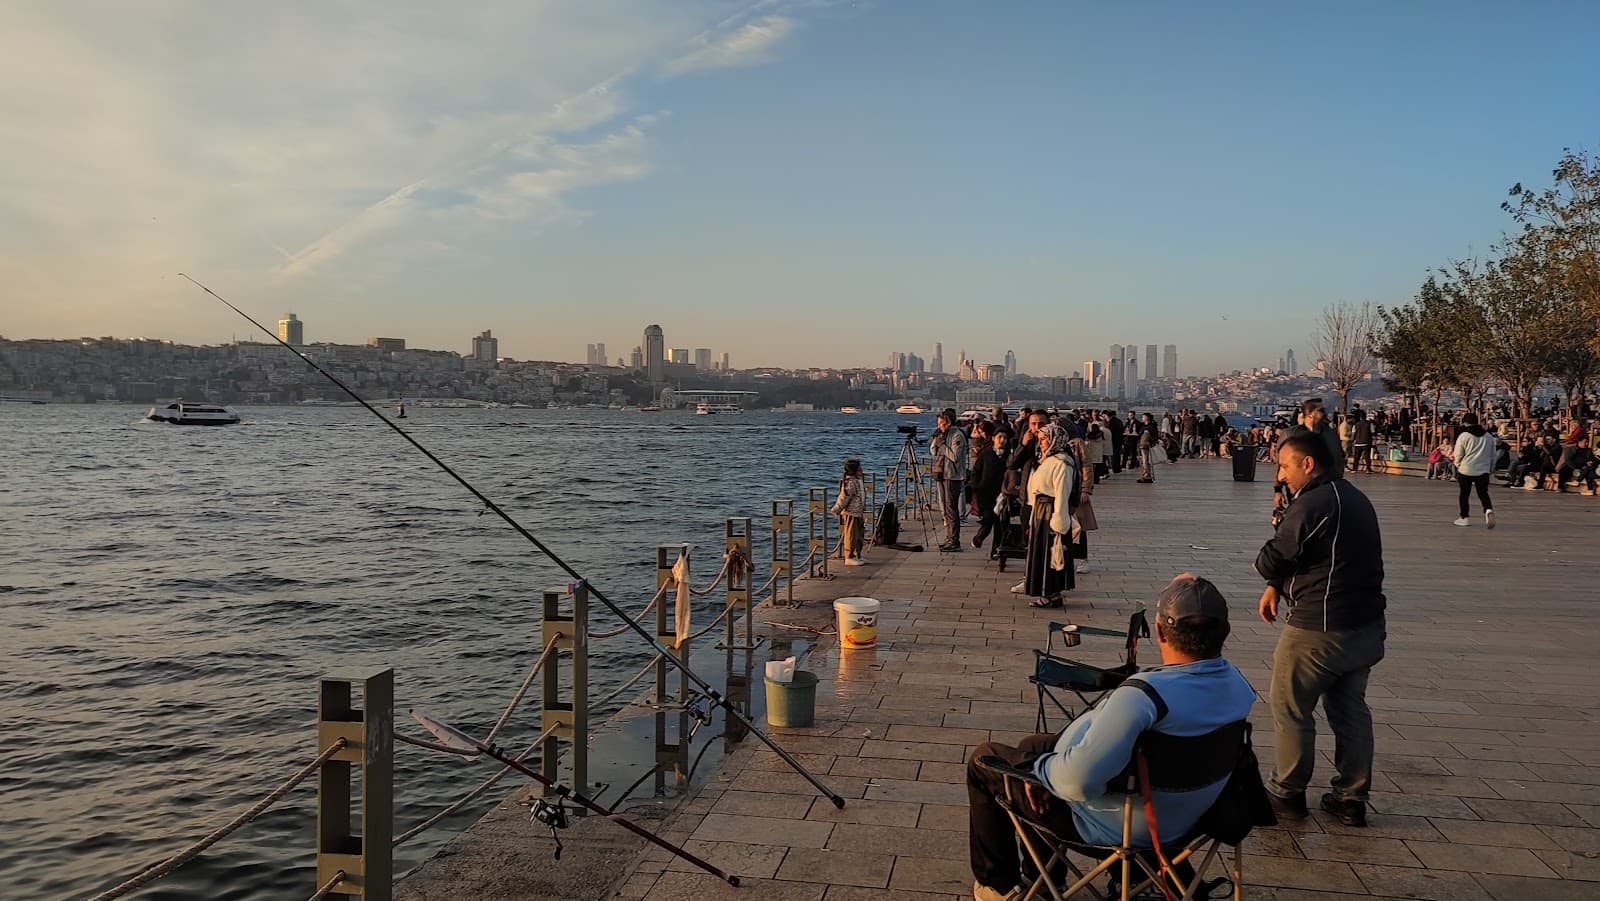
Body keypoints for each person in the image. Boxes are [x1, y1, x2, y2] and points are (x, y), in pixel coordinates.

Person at [966, 574, 1256, 901]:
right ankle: (1045, 878)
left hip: (1126, 826)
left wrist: (1041, 773)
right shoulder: (1237, 686)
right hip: (1193, 815)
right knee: (1033, 747)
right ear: (1224, 632)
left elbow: (1078, 783)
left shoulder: (1144, 698)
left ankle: (999, 885)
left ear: (1159, 631)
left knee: (984, 759)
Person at [1254, 432, 1386, 828]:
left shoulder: (1315, 503)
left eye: (1284, 465)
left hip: (1320, 625)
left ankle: (1286, 791)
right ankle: (1351, 797)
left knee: (1290, 706)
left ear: (1307, 464)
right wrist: (1277, 587)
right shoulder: (1354, 498)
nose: (1281, 474)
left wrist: (1271, 571)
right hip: (1364, 625)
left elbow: (1274, 556)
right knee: (1350, 712)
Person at [1021, 423, 1077, 608]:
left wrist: (1060, 519)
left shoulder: (1062, 462)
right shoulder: (1047, 459)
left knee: (1052, 553)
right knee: (1043, 552)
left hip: (1052, 511)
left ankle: (1051, 593)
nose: (1041, 443)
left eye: (1044, 439)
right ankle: (1048, 592)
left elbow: (1062, 492)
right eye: (1040, 439)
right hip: (1041, 510)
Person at [929, 408, 969, 552]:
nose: (939, 426)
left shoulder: (957, 436)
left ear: (948, 423)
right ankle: (949, 537)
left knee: (952, 508)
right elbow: (933, 452)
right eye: (938, 424)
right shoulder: (941, 435)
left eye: (941, 423)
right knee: (945, 508)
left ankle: (954, 540)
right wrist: (936, 442)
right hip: (940, 473)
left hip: (953, 476)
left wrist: (943, 445)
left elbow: (955, 457)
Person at [1451, 412, 1496, 527]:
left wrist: (1458, 465)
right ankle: (1488, 509)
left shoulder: (1464, 436)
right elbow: (1493, 455)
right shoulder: (1488, 436)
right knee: (1483, 493)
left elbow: (1458, 453)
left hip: (1466, 469)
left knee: (1464, 494)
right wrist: (1490, 468)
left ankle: (1464, 517)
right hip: (1483, 470)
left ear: (1465, 423)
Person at [970, 430, 1006, 548]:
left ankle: (997, 549)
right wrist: (976, 486)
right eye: (1000, 437)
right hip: (985, 492)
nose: (1002, 440)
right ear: (994, 438)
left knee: (1000, 523)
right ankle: (979, 538)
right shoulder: (986, 453)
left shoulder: (1008, 455)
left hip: (1002, 493)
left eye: (1004, 438)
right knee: (988, 518)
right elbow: (976, 471)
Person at [830, 459, 867, 565]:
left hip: (858, 512)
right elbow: (843, 498)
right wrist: (837, 509)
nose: (862, 470)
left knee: (859, 534)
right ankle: (849, 556)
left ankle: (857, 554)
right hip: (851, 513)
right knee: (851, 534)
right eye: (860, 469)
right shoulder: (850, 483)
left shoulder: (858, 481)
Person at [1136, 413, 1158, 483]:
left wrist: (1151, 441)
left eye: (1143, 417)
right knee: (1143, 461)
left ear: (1147, 418)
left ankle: (1147, 476)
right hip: (1141, 445)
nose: (1142, 418)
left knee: (1146, 461)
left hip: (1146, 445)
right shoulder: (1143, 426)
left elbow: (1154, 436)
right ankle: (1144, 475)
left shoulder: (1151, 426)